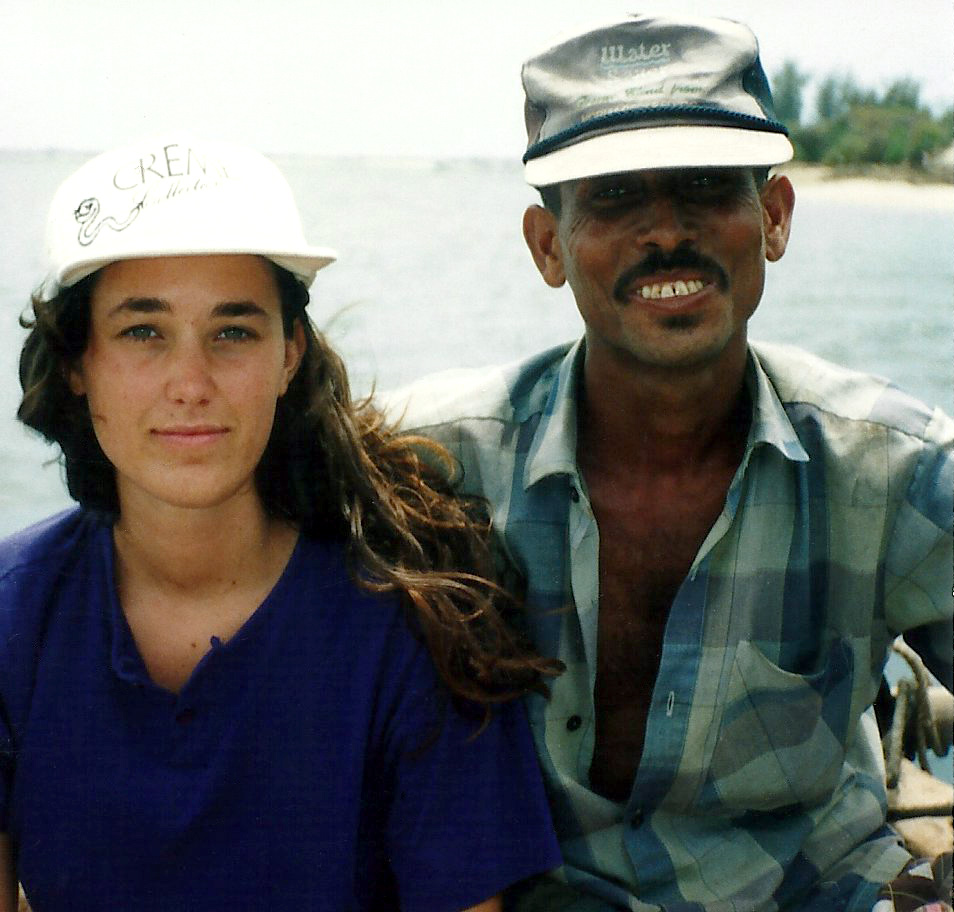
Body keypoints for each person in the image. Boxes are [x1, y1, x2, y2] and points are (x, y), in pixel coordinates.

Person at [383, 14, 953, 912]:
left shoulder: (892, 468)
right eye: (610, 197)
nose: (664, 232)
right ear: (546, 244)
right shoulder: (434, 460)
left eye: (703, 186)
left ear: (772, 216)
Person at [0, 136, 563, 911]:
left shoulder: (412, 627)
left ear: (290, 353)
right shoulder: (12, 618)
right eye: (143, 332)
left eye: (233, 331)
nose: (190, 383)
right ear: (76, 361)